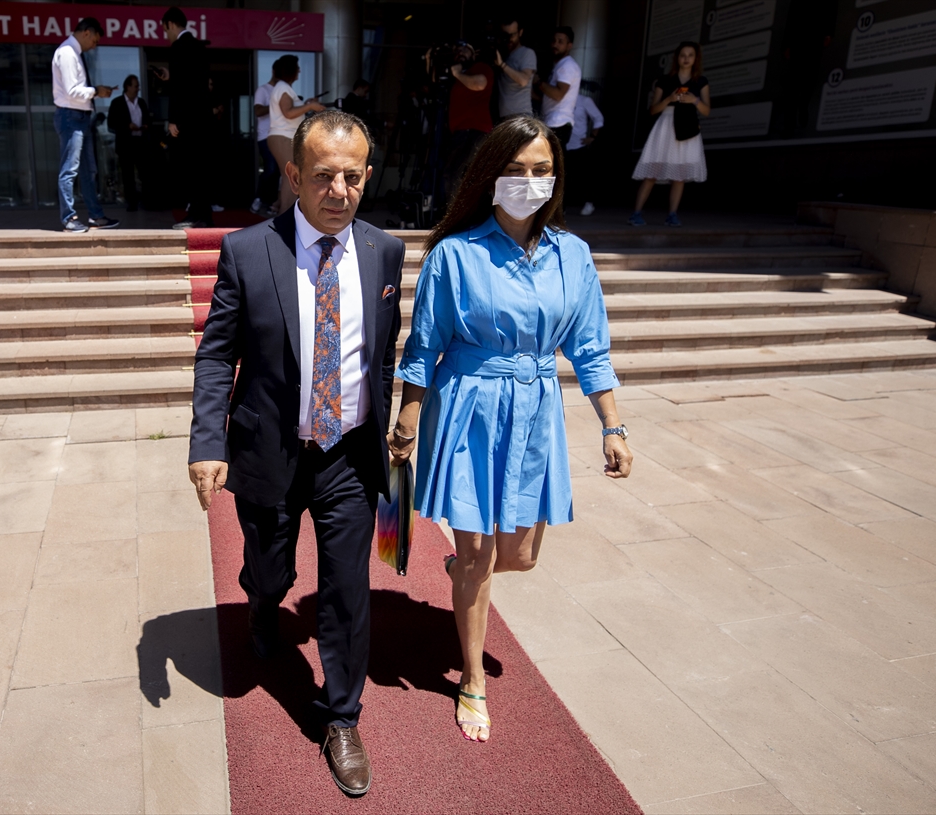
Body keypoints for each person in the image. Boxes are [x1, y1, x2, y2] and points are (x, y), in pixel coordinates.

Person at [388, 116, 632, 743]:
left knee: (519, 556)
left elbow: (590, 346)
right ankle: (471, 678)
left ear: (556, 177)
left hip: (535, 408)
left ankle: (464, 569)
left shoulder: (573, 255)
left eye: (541, 170)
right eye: (516, 169)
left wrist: (613, 424)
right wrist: (408, 417)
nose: (529, 181)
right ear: (490, 176)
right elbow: (425, 343)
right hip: (469, 403)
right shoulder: (455, 253)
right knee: (479, 554)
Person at [187, 110, 405, 796]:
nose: (339, 191)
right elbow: (217, 355)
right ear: (293, 175)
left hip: (349, 456)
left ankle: (341, 717)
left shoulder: (385, 252)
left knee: (346, 591)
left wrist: (390, 424)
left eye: (352, 176)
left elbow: (382, 352)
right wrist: (207, 440)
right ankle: (260, 602)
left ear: (367, 176)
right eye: (323, 176)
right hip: (269, 452)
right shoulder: (249, 251)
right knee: (271, 574)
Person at [629, 41, 710, 227]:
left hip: (687, 126)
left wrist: (694, 100)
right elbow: (653, 109)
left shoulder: (701, 81)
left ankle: (672, 214)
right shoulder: (665, 80)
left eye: (690, 55)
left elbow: (706, 110)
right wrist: (669, 99)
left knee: (679, 175)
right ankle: (636, 213)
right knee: (653, 171)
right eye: (683, 55)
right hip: (666, 124)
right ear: (677, 58)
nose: (686, 59)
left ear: (696, 58)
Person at [52, 17, 118, 233]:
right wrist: (96, 91)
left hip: (80, 116)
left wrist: (96, 92)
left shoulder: (75, 53)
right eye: (95, 40)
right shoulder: (67, 53)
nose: (94, 46)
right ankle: (68, 218)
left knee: (89, 170)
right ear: (87, 32)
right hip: (71, 116)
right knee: (69, 169)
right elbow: (72, 91)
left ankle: (95, 215)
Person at [157, 6, 214, 229]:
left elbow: (180, 88)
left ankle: (195, 214)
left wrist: (173, 119)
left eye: (165, 30)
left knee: (191, 168)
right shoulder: (200, 47)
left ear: (171, 24)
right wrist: (171, 76)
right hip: (203, 117)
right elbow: (195, 82)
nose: (166, 35)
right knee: (202, 168)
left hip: (188, 120)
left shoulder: (178, 47)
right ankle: (205, 215)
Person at [268, 55, 326, 215]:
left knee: (289, 176)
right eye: (297, 68)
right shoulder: (283, 88)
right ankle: (285, 214)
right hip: (283, 137)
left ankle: (280, 208)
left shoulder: (282, 88)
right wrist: (310, 106)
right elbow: (288, 112)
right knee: (292, 176)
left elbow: (290, 110)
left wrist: (307, 104)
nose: (299, 71)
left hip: (282, 137)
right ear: (291, 70)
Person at [440, 41, 493, 201]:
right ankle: (455, 210)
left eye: (465, 49)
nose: (460, 52)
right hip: (460, 132)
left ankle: (460, 212)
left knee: (459, 174)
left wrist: (457, 74)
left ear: (474, 54)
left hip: (474, 131)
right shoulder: (456, 76)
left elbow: (480, 84)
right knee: (453, 173)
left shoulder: (480, 67)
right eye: (457, 50)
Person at [107, 75, 151, 212]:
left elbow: (148, 119)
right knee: (128, 175)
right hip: (126, 143)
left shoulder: (141, 102)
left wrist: (145, 126)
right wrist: (127, 126)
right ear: (128, 87)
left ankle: (147, 201)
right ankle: (132, 203)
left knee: (145, 173)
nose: (138, 89)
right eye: (135, 86)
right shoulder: (117, 103)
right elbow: (111, 124)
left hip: (140, 142)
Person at [537, 26, 582, 148]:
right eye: (554, 41)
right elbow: (549, 97)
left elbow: (558, 95)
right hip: (554, 123)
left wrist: (538, 82)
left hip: (558, 123)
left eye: (560, 41)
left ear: (569, 45)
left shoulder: (567, 65)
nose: (555, 44)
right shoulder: (561, 65)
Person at [565, 92, 603, 215]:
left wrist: (592, 136)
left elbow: (598, 118)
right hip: (561, 144)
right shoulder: (557, 99)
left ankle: (589, 202)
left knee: (583, 176)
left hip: (578, 144)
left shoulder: (584, 100)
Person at [493, 17, 536, 119]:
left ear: (520, 32)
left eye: (512, 35)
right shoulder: (502, 54)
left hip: (521, 115)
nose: (509, 38)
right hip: (503, 116)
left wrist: (502, 65)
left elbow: (523, 80)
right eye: (505, 35)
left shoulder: (527, 53)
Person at [251, 65, 280, 215]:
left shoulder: (285, 91)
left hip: (280, 136)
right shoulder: (263, 90)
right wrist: (275, 105)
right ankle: (258, 198)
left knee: (277, 172)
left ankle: (270, 204)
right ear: (274, 71)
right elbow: (258, 111)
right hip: (265, 136)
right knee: (270, 168)